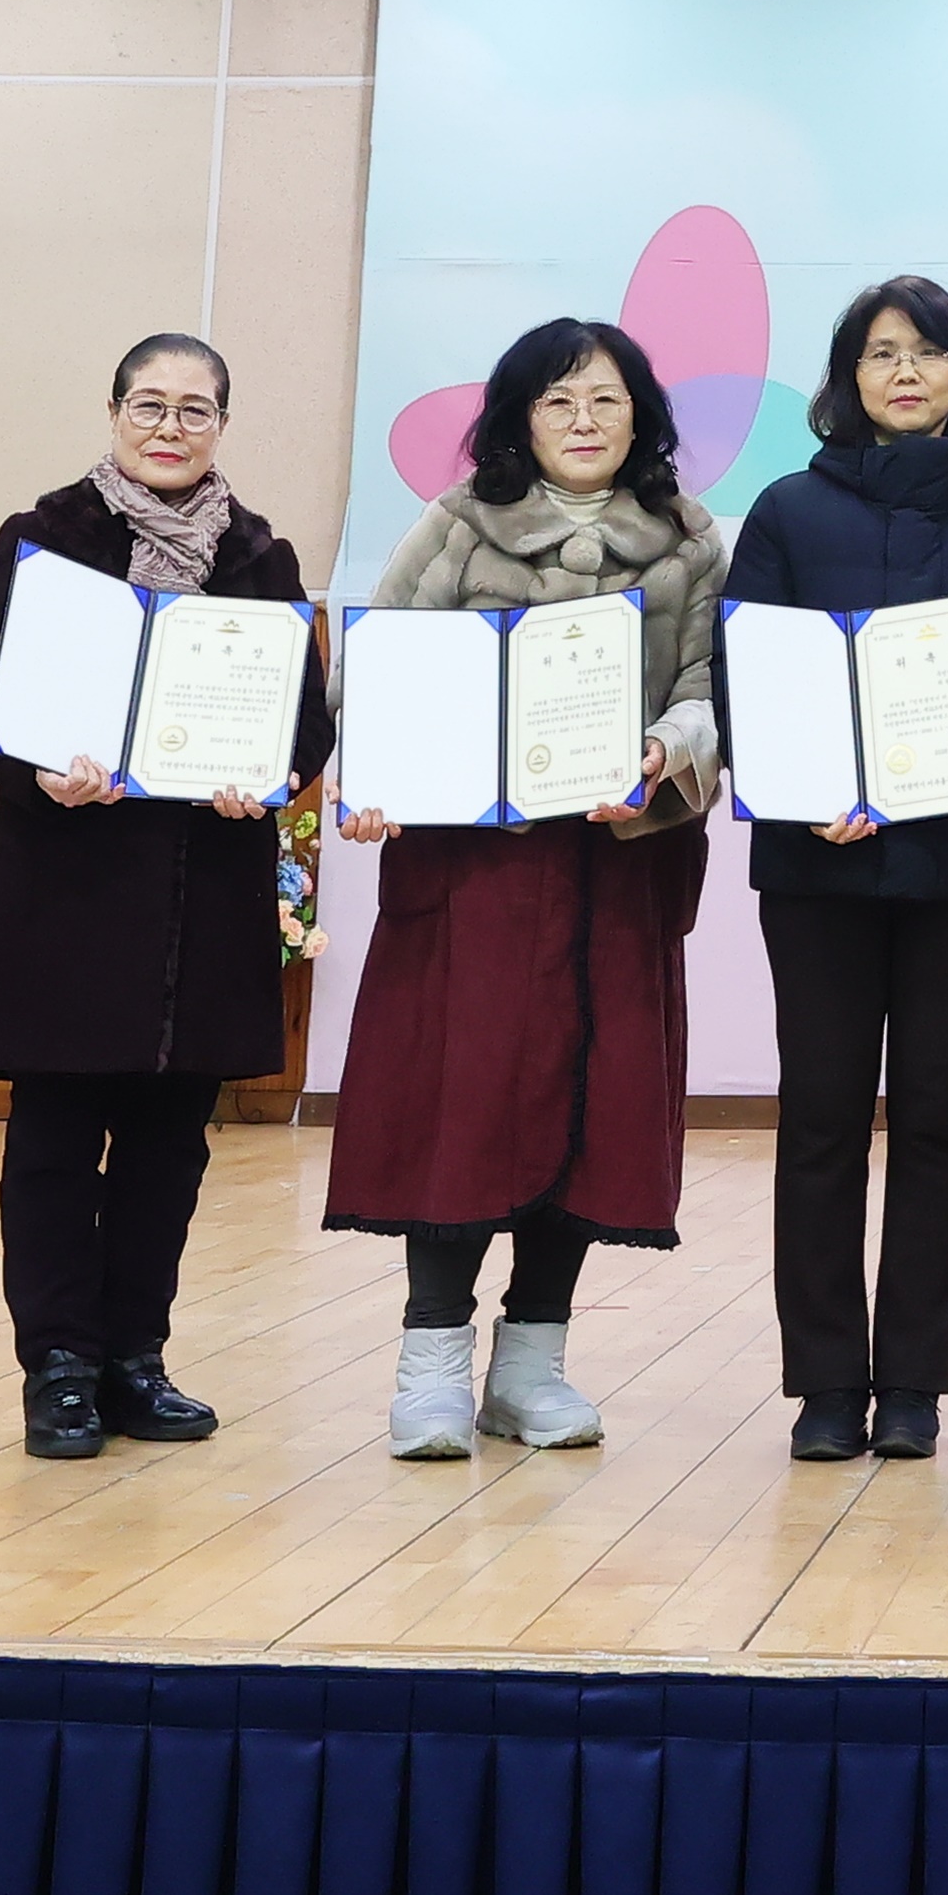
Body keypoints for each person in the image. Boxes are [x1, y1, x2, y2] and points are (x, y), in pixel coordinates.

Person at [0, 331, 335, 1463]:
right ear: (114, 414)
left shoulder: (261, 557)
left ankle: (134, 1361)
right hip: (67, 887)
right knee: (55, 1141)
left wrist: (266, 778)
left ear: (222, 427)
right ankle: (59, 1366)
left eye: (195, 410)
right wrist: (39, 773)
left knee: (169, 1150)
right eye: (149, 405)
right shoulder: (44, 538)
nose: (170, 428)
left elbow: (305, 725)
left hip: (203, 894)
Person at [332, 315, 729, 1463]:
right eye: (558, 401)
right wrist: (377, 773)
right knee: (461, 1102)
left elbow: (710, 691)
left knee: (593, 1107)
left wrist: (665, 751)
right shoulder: (458, 524)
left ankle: (531, 1367)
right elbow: (379, 666)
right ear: (519, 418)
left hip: (619, 862)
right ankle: (430, 1367)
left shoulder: (691, 539)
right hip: (474, 872)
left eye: (606, 399)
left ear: (641, 417)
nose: (583, 420)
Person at [723, 276, 948, 1464]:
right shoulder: (788, 509)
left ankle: (914, 1381)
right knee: (818, 1118)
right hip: (818, 861)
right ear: (847, 378)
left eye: (926, 351)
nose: (904, 371)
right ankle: (823, 1384)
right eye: (879, 353)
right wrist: (807, 790)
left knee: (939, 1116)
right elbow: (747, 669)